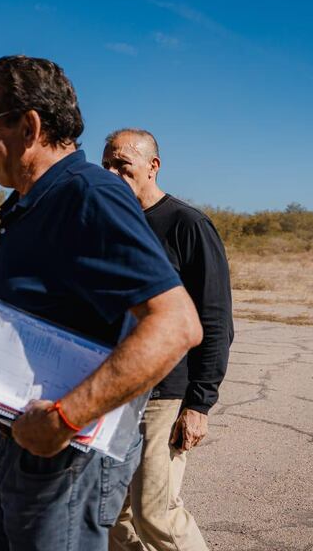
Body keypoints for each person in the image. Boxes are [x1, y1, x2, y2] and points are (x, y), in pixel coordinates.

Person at [0, 56, 202, 551]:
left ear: (30, 127)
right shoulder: (32, 200)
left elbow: (176, 324)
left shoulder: (89, 195)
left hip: (67, 454)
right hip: (21, 437)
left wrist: (65, 418)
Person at [102, 129, 234, 551]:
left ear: (152, 166)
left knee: (155, 512)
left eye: (122, 164)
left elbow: (215, 318)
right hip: (112, 388)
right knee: (110, 516)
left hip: (164, 392)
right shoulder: (110, 224)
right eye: (106, 165)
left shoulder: (186, 224)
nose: (112, 173)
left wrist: (200, 403)